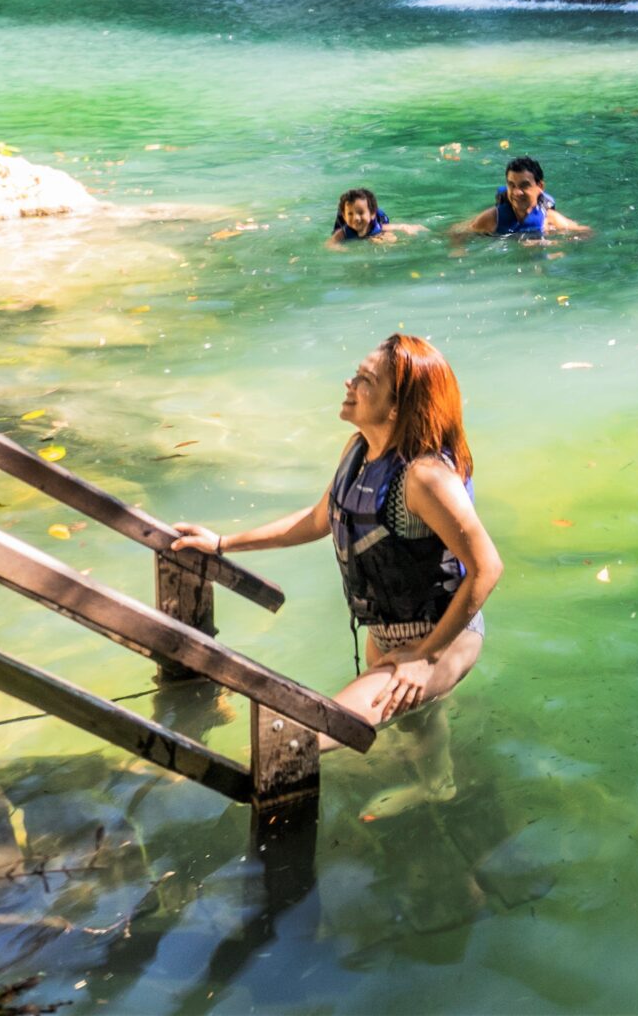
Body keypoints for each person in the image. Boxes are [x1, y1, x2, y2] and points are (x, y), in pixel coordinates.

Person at [172, 334, 502, 813]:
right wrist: (223, 543)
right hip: (388, 631)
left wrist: (426, 658)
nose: (349, 383)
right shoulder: (358, 450)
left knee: (306, 730)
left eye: (366, 380)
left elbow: (487, 567)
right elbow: (318, 518)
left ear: (397, 405)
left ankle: (198, 788)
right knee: (417, 719)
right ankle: (439, 787)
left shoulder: (425, 477)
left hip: (440, 637)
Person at [449, 155, 589, 242]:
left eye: (524, 185)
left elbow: (586, 233)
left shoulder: (550, 220)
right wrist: (458, 251)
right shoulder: (492, 219)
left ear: (540, 186)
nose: (517, 192)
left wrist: (555, 243)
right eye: (511, 185)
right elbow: (455, 232)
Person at [325, 187, 426, 248]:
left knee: (389, 239)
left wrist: (410, 229)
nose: (356, 218)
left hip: (377, 226)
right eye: (350, 214)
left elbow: (403, 226)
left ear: (372, 213)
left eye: (360, 213)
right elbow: (330, 244)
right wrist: (340, 249)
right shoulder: (343, 233)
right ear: (344, 216)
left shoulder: (380, 227)